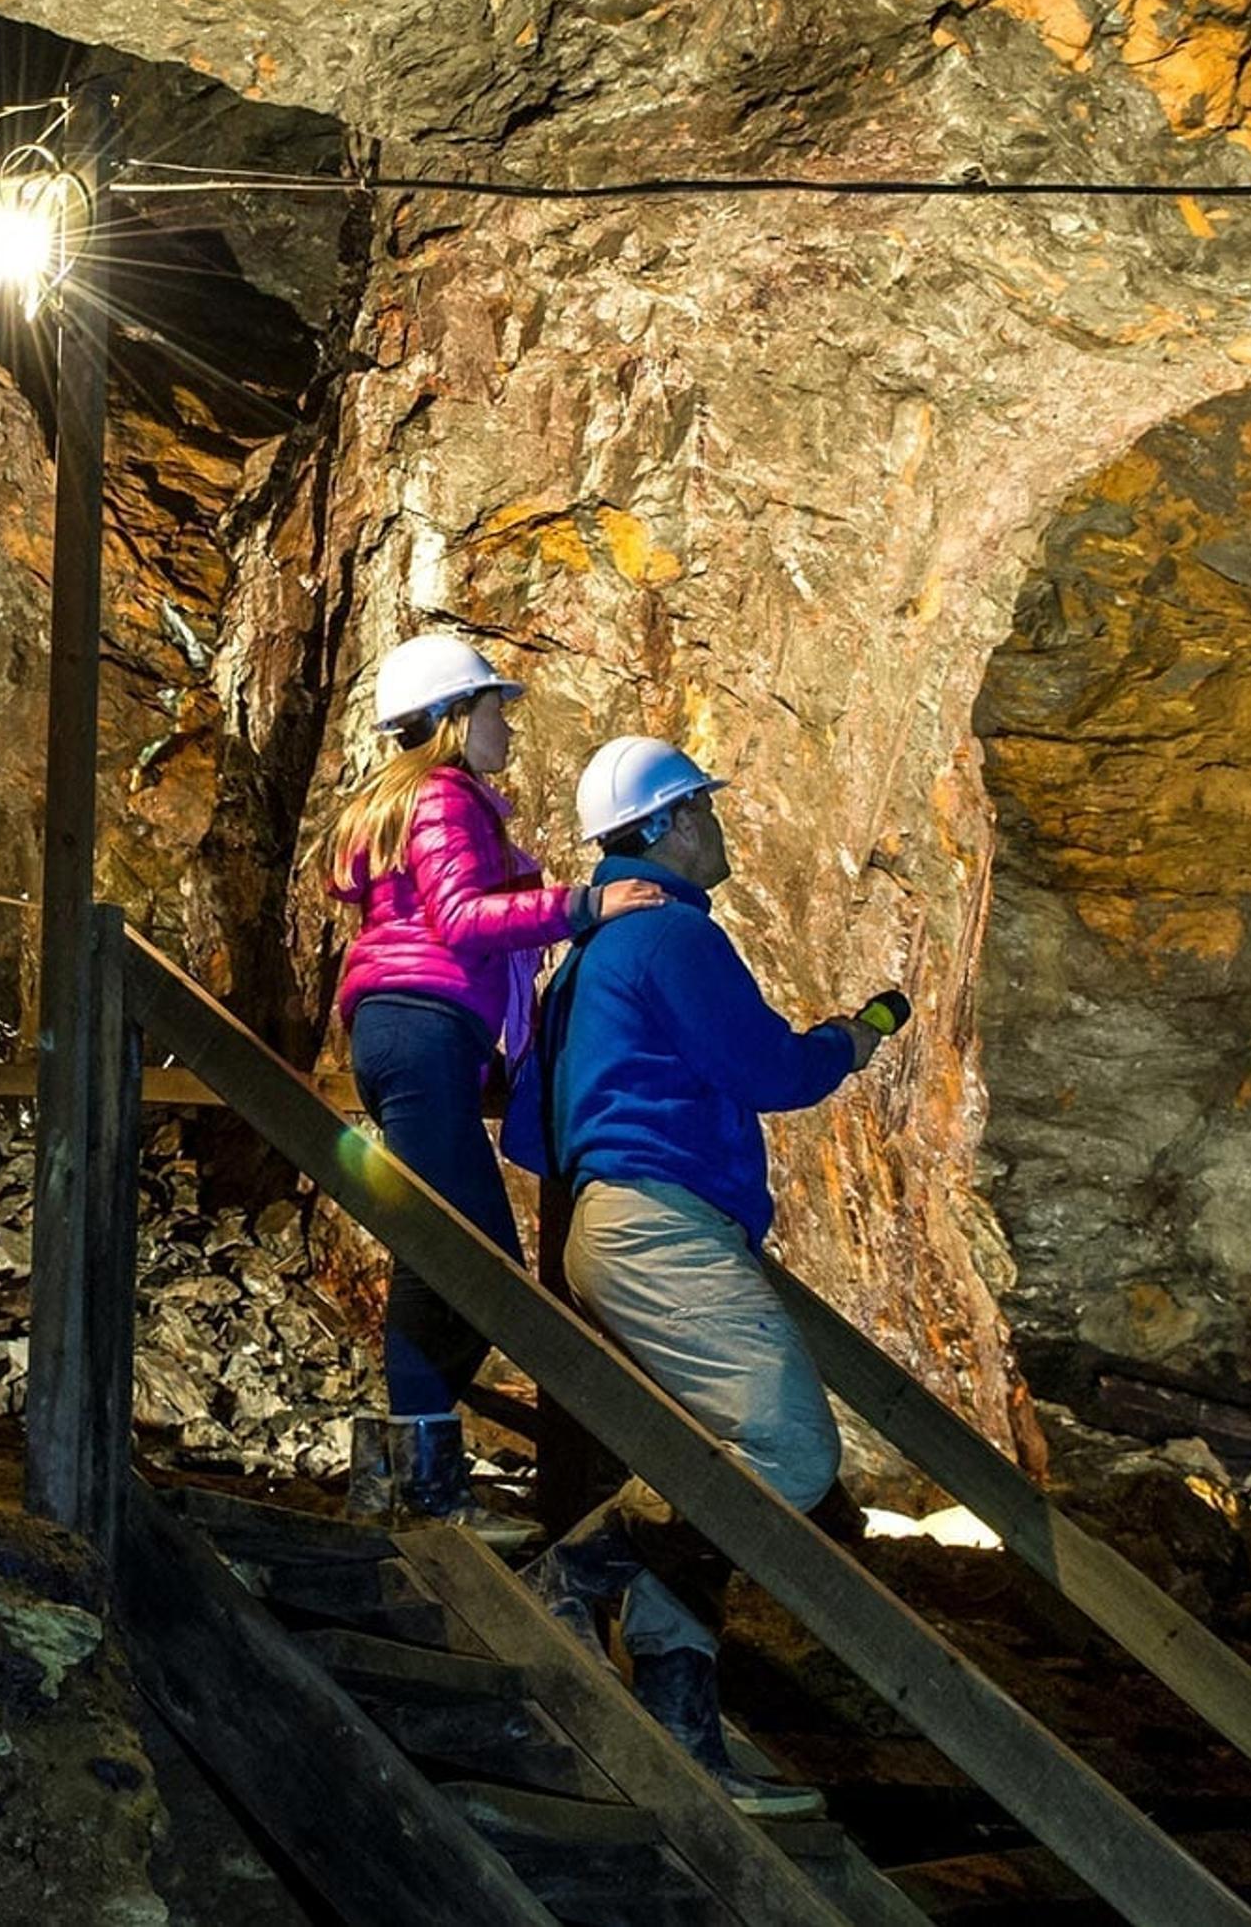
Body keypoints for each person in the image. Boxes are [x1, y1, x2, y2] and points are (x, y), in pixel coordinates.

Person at [507, 735, 911, 1814]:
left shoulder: (596, 951)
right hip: (660, 1225)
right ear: (675, 823)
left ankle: (685, 1737)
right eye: (708, 814)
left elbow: (533, 1123)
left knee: (714, 1467)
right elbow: (766, 1068)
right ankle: (567, 1584)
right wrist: (844, 1041)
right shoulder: (673, 936)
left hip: (616, 1223)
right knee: (787, 1446)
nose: (720, 831)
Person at [328, 634, 666, 1535]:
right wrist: (584, 903)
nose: (504, 725)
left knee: (435, 1258)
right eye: (492, 709)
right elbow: (463, 919)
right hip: (423, 1029)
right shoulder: (443, 797)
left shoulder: (418, 800)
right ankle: (427, 1489)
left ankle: (392, 1478)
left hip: (415, 1032)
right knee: (479, 1267)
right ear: (451, 721)